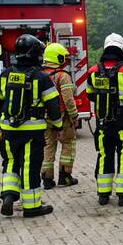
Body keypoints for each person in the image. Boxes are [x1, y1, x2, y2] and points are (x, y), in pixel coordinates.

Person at [0, 35, 63, 218]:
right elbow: (53, 104)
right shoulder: (41, 76)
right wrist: (58, 125)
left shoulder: (5, 74)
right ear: (34, 54)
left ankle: (8, 195)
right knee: (30, 166)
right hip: (32, 132)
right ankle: (32, 207)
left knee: (10, 163)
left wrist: (0, 124)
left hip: (8, 130)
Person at [85, 33, 123, 206]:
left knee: (104, 155)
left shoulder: (93, 71)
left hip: (103, 122)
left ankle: (103, 195)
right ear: (122, 49)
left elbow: (90, 95)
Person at [40, 42, 79, 189]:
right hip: (63, 118)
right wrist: (74, 116)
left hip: (45, 118)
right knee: (68, 143)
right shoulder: (63, 76)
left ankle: (47, 179)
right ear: (58, 58)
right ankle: (65, 176)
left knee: (48, 146)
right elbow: (68, 100)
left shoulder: (40, 75)